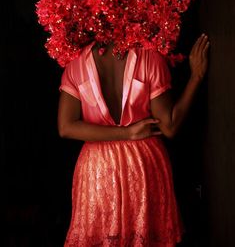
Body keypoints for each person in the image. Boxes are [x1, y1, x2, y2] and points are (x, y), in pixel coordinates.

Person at [57, 33, 210, 246]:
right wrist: (196, 77)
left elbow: (66, 127)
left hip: (96, 170)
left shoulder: (75, 64)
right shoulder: (149, 57)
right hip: (142, 162)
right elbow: (170, 127)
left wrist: (123, 134)